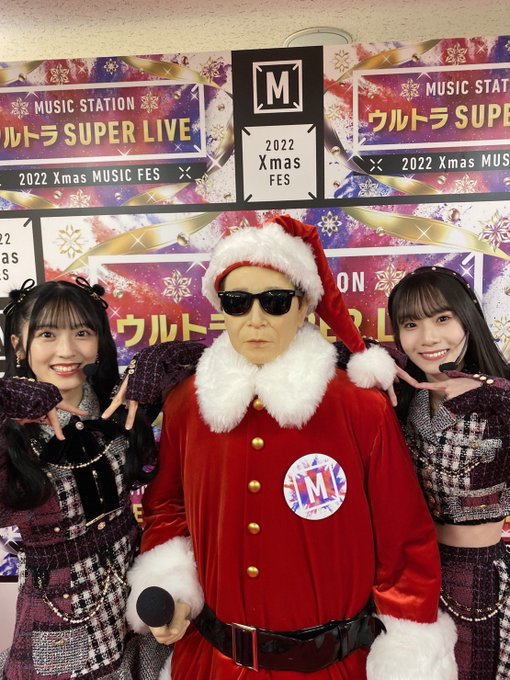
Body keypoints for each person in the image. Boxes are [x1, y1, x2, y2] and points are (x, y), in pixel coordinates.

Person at [126, 215, 457, 680]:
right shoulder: (187, 404)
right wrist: (171, 583)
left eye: (276, 301)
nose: (255, 320)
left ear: (303, 307)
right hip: (214, 663)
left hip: (333, 666)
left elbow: (402, 540)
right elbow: (167, 506)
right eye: (237, 303)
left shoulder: (360, 409)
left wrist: (409, 649)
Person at [0, 277, 188, 680]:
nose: (67, 350)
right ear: (18, 345)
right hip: (59, 618)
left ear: (99, 341)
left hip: (137, 604)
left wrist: (151, 363)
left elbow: (203, 357)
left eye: (82, 333)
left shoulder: (120, 408)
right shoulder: (11, 436)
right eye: (47, 334)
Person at [386, 265, 510, 680]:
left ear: (467, 319)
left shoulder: (498, 402)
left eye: (442, 319)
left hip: (480, 577)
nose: (428, 338)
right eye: (411, 324)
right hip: (408, 579)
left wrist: (489, 389)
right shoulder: (406, 397)